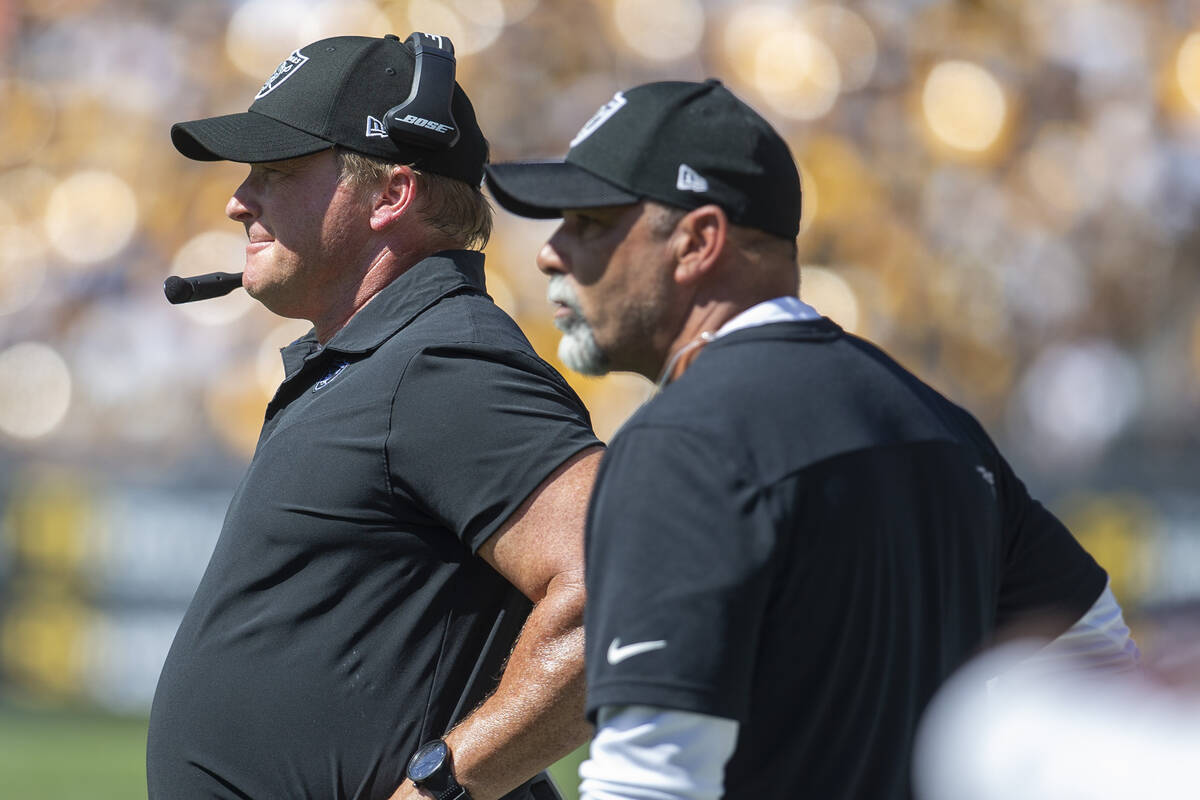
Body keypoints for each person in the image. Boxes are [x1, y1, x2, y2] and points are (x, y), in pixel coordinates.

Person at [484, 79, 1138, 799]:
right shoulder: (938, 423)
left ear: (699, 241)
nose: (550, 253)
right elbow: (1100, 666)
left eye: (589, 221)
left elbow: (649, 783)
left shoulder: (686, 440)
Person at [147, 33, 603, 800]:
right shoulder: (385, 360)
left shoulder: (440, 365)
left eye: (277, 170)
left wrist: (442, 786)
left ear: (392, 195)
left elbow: (621, 586)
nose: (237, 200)